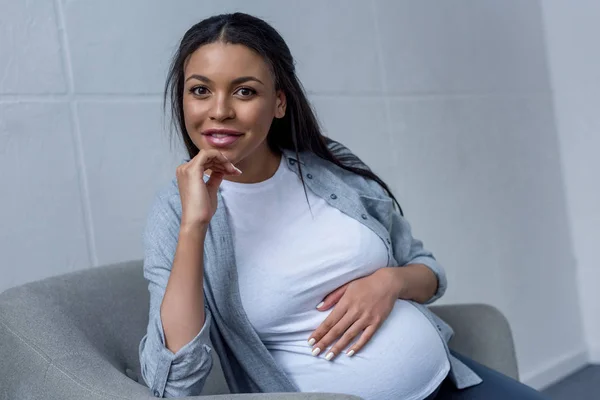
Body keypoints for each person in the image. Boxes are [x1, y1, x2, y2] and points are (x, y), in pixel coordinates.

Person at [139, 12, 548, 400]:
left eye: (245, 91)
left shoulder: (331, 167)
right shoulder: (175, 213)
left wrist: (388, 283)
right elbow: (175, 384)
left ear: (279, 103)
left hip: (447, 380)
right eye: (200, 90)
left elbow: (428, 270)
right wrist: (195, 224)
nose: (220, 110)